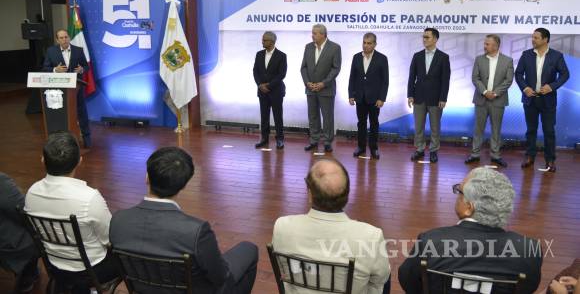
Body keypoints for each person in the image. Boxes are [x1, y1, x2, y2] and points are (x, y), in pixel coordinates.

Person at [109, 147, 258, 294]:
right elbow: (221, 277)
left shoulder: (118, 220)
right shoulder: (196, 231)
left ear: (146, 177)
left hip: (143, 289)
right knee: (249, 249)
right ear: (184, 185)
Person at [398, 167, 542, 294]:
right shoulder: (529, 250)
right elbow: (528, 288)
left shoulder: (431, 241)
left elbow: (408, 281)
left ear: (469, 208)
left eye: (459, 191)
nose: (457, 195)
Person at [272, 158, 391, 294]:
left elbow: (283, 269)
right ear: (347, 194)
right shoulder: (371, 236)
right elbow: (380, 279)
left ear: (310, 193)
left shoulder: (282, 226)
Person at [25, 131, 117, 293]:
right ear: (79, 161)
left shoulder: (31, 193)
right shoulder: (89, 198)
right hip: (90, 271)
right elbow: (110, 238)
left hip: (54, 265)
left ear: (43, 160)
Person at [515, 28, 569, 173]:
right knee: (531, 130)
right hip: (530, 99)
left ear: (545, 39)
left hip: (548, 100)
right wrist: (525, 88)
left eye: (536, 38)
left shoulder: (556, 56)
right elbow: (518, 74)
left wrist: (552, 86)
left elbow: (565, 74)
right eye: (532, 37)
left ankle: (550, 160)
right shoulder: (526, 55)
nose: (533, 40)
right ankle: (529, 157)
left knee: (549, 131)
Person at [465, 34, 514, 167]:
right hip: (481, 99)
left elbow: (508, 80)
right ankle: (475, 154)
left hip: (498, 100)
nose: (484, 46)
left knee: (496, 129)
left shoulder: (508, 61)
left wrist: (495, 93)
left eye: (487, 44)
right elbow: (475, 78)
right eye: (485, 43)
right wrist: (485, 92)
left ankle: (495, 155)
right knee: (478, 128)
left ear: (496, 46)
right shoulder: (479, 59)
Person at [42, 29, 91, 148]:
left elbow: (86, 66)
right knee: (63, 115)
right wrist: (55, 70)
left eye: (66, 37)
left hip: (76, 88)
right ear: (57, 40)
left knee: (81, 112)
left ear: (69, 37)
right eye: (61, 38)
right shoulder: (51, 51)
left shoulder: (78, 50)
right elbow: (45, 68)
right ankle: (62, 140)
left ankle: (87, 138)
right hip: (60, 90)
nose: (64, 40)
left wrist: (82, 69)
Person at [407, 28, 450, 163]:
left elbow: (445, 80)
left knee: (435, 127)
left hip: (436, 98)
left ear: (435, 39)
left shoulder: (443, 57)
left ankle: (433, 150)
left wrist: (443, 98)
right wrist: (410, 94)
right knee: (418, 126)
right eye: (423, 37)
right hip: (418, 97)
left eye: (427, 37)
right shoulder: (417, 56)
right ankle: (419, 149)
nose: (424, 39)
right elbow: (411, 77)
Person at [300, 24, 342, 153]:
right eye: (312, 33)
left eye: (315, 33)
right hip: (310, 88)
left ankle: (328, 142)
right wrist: (307, 83)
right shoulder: (308, 47)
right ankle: (314, 140)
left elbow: (336, 68)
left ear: (323, 34)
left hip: (326, 89)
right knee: (313, 116)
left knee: (327, 117)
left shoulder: (335, 47)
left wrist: (323, 83)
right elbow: (303, 67)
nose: (312, 35)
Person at [348, 33, 389, 160]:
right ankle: (361, 147)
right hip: (360, 97)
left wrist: (382, 98)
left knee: (374, 123)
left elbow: (385, 81)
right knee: (361, 123)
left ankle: (374, 148)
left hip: (375, 98)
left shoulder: (382, 58)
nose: (366, 45)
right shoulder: (356, 57)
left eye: (369, 43)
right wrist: (351, 94)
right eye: (364, 43)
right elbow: (352, 77)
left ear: (375, 44)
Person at [0, 173, 39, 293]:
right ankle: (27, 276)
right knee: (40, 230)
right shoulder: (1, 181)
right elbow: (24, 212)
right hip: (6, 247)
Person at [253, 31, 287, 149]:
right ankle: (264, 138)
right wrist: (260, 85)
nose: (262, 42)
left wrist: (269, 85)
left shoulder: (281, 56)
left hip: (276, 91)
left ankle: (280, 139)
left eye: (264, 40)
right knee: (264, 116)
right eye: (262, 40)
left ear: (272, 42)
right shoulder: (259, 54)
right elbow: (255, 71)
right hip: (262, 91)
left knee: (278, 116)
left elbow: (282, 74)